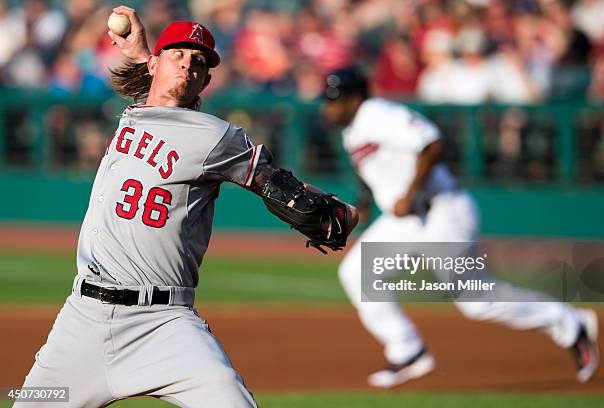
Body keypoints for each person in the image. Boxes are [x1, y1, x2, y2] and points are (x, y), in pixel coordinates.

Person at [13, 6, 357, 408]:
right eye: (179, 53)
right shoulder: (132, 115)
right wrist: (146, 56)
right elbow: (161, 87)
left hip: (165, 324)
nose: (188, 64)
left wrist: (327, 210)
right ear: (156, 63)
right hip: (82, 319)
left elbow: (273, 181)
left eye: (199, 61)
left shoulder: (217, 137)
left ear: (206, 80)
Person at [320, 67, 599, 389]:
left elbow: (432, 143)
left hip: (443, 210)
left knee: (475, 300)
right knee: (357, 272)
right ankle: (408, 351)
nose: (328, 108)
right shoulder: (352, 130)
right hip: (406, 221)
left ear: (355, 99)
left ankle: (571, 323)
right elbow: (370, 172)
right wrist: (365, 202)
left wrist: (410, 193)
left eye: (334, 101)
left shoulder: (378, 113)